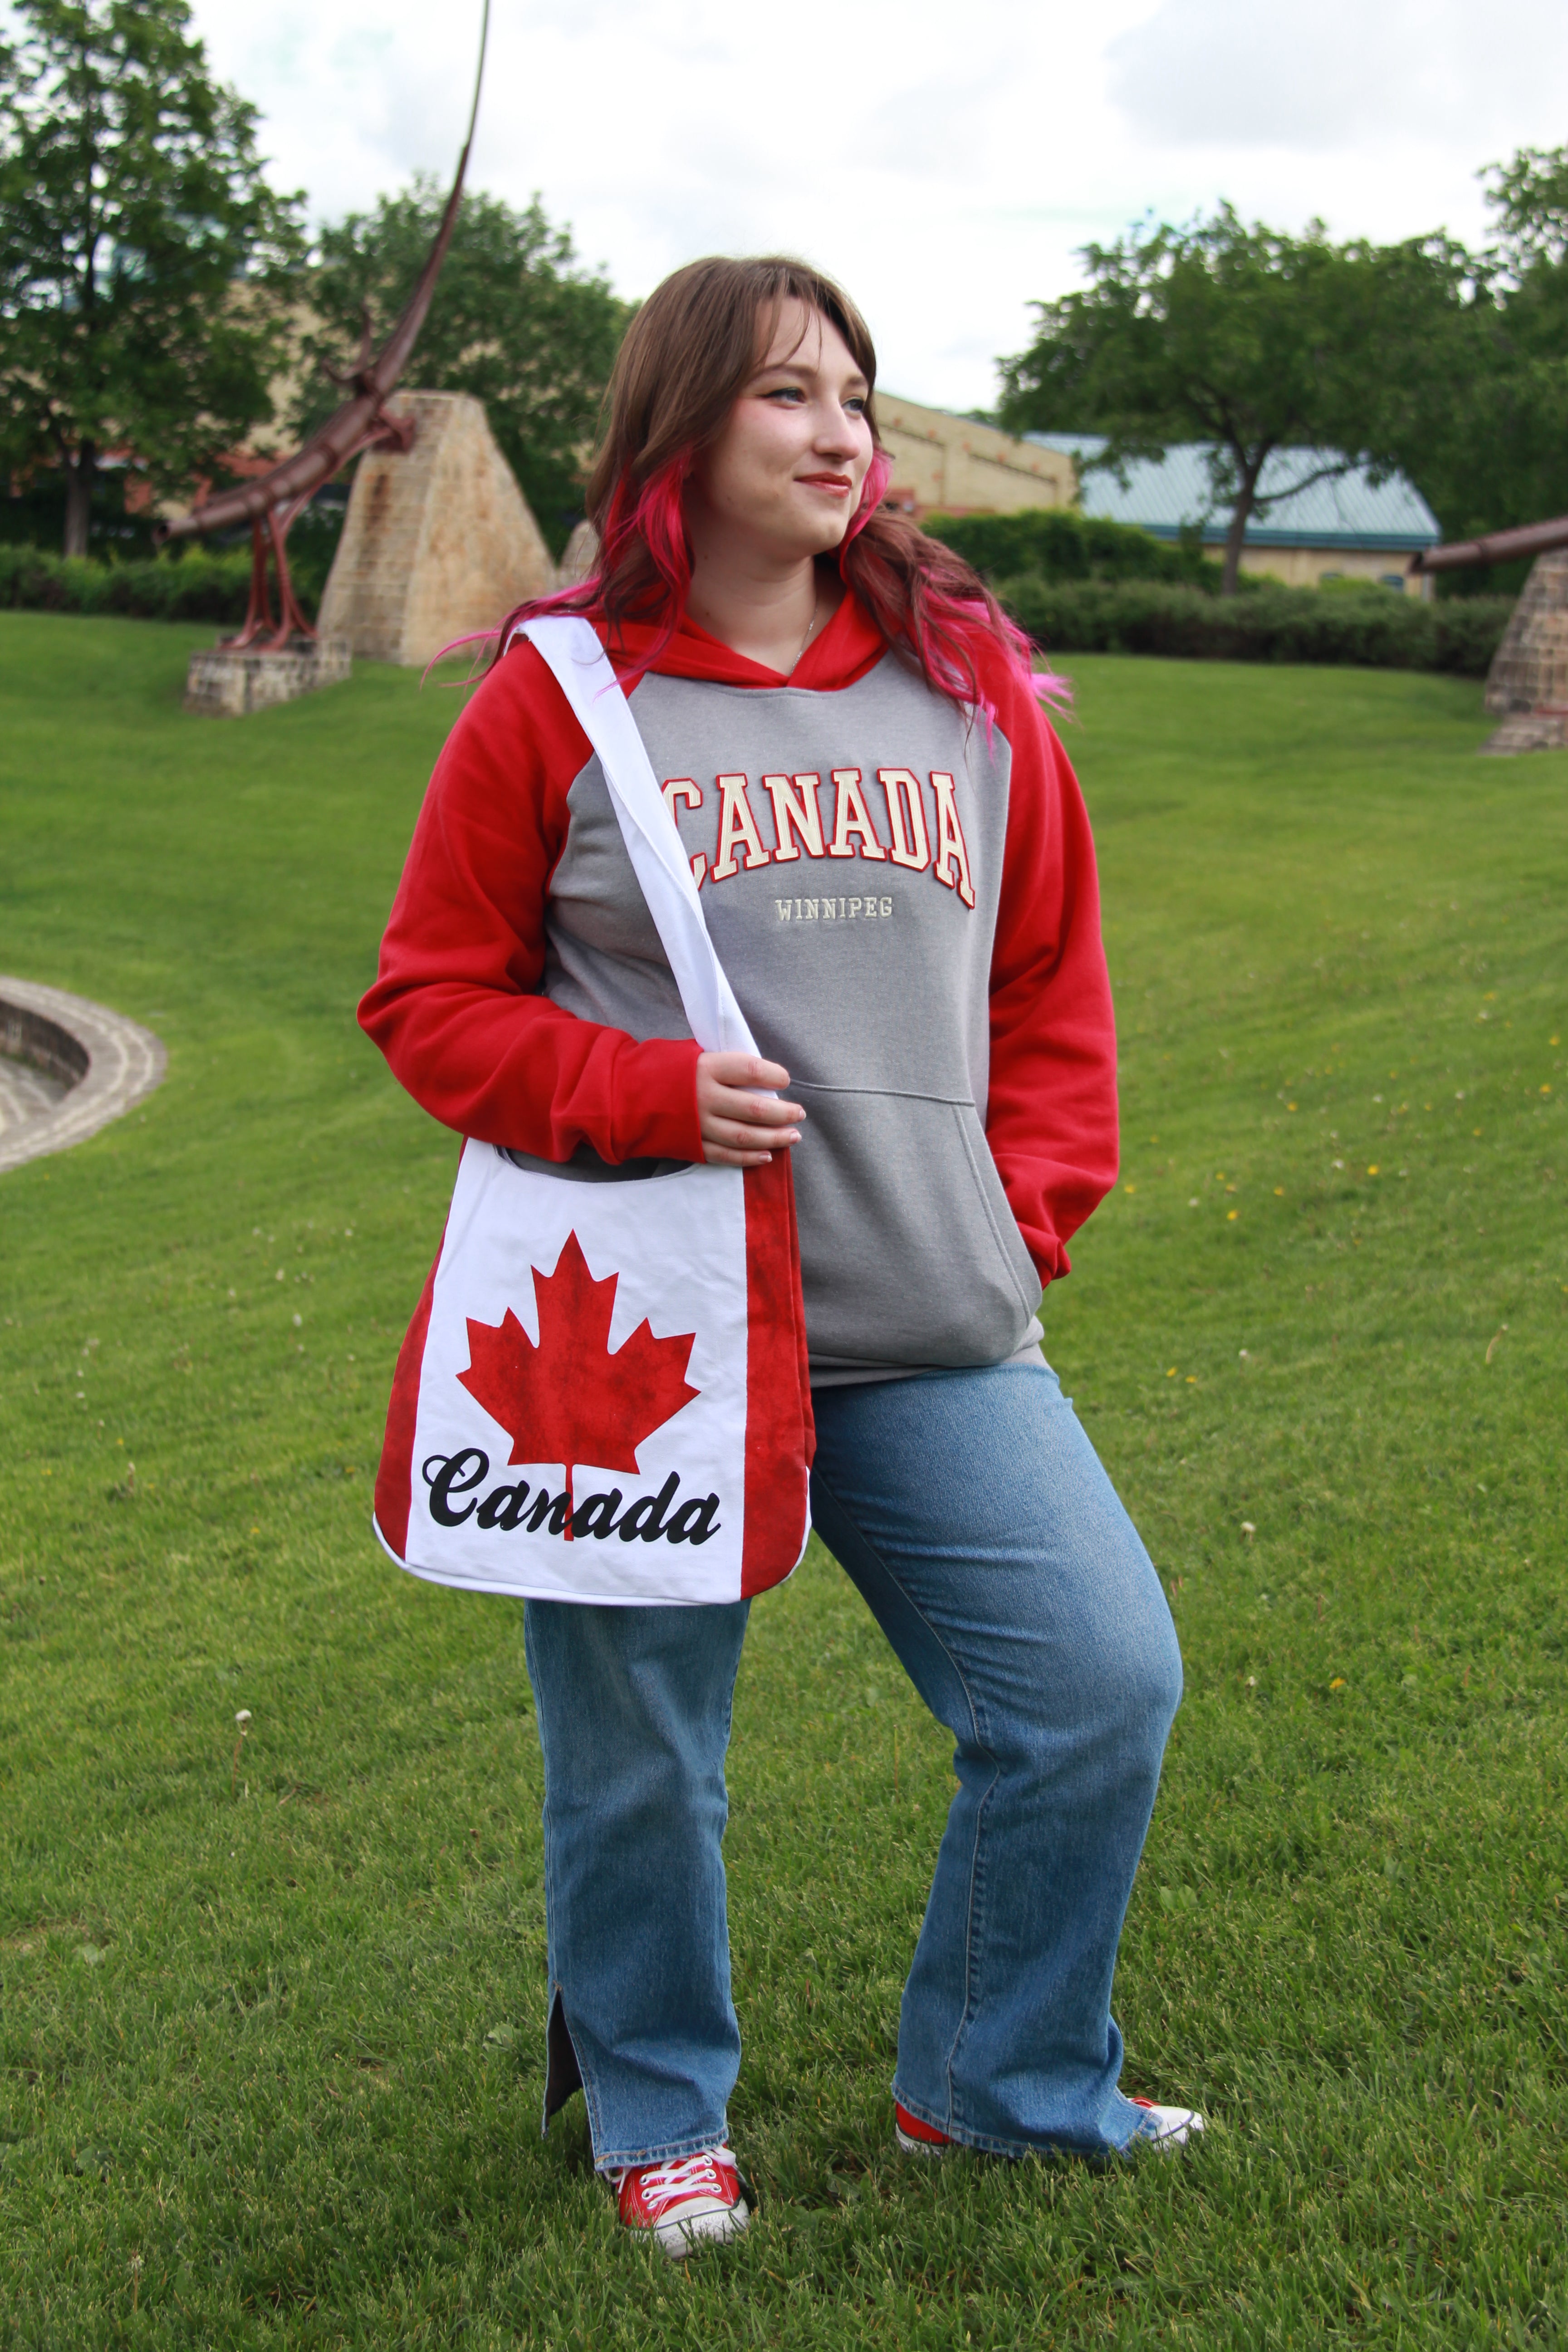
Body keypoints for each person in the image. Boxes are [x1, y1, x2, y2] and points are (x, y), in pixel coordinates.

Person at [359, 255, 1198, 2259]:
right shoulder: (558, 695)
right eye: (789, 398)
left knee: (1096, 1687)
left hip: (928, 1324)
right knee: (645, 1765)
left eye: (860, 397)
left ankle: (1000, 2084)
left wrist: (1026, 1212)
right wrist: (641, 1092)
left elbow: (1051, 993)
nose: (842, 437)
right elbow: (429, 998)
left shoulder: (975, 688)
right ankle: (658, 2116)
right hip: (644, 1347)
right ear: (682, 431)